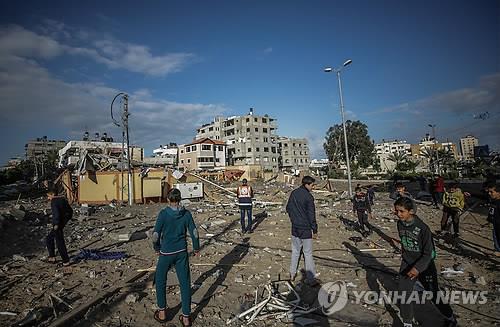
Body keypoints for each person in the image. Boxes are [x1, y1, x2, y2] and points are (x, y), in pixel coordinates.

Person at [392, 197, 456, 327]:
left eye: (401, 211)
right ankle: (407, 322)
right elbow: (404, 243)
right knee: (404, 292)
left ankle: (450, 317)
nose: (398, 214)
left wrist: (417, 268)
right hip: (407, 263)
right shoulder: (400, 224)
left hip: (424, 265)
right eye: (396, 211)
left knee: (433, 294)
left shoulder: (423, 228)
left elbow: (428, 254)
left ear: (411, 211)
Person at [152, 188, 200, 326]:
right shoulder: (186, 214)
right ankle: (185, 318)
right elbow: (195, 233)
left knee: (160, 280)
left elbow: (155, 235)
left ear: (168, 199)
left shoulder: (163, 214)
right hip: (181, 252)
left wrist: (157, 248)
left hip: (166, 253)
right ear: (180, 199)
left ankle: (162, 313)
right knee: (185, 283)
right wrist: (196, 248)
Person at [286, 176, 318, 284]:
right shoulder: (308, 197)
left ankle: (292, 274)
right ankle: (311, 279)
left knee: (295, 252)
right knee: (307, 253)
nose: (313, 187)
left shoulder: (294, 193)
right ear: (306, 184)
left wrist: (293, 219)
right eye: (312, 185)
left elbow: (288, 208)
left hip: (295, 228)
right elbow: (311, 215)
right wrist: (315, 229)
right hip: (305, 229)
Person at [46, 189, 72, 266]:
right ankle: (52, 257)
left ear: (52, 194)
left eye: (48, 196)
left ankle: (65, 261)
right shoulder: (63, 199)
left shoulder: (54, 201)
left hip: (57, 225)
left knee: (59, 242)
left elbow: (56, 213)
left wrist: (57, 223)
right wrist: (65, 221)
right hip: (62, 223)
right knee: (50, 238)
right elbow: (70, 211)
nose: (48, 198)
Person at [486, 183, 500, 257]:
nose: (489, 193)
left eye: (491, 192)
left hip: (498, 224)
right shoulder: (493, 200)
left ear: (498, 193)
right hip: (494, 223)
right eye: (489, 192)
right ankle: (498, 250)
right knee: (495, 237)